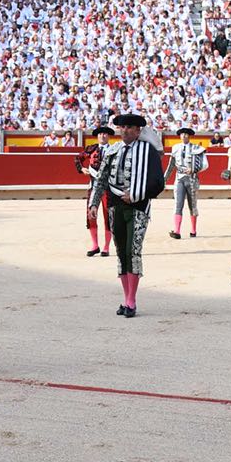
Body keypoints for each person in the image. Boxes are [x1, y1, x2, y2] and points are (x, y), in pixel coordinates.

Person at [86, 112, 165, 318]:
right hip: (115, 205)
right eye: (122, 127)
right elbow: (101, 178)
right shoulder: (113, 150)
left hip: (138, 207)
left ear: (138, 131)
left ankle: (131, 300)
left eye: (130, 127)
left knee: (133, 250)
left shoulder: (148, 151)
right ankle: (126, 298)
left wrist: (137, 194)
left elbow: (158, 183)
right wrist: (94, 203)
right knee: (121, 250)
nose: (125, 130)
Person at [76, 125, 117, 256]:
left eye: (105, 134)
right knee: (91, 215)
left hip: (109, 188)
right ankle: (95, 245)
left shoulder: (114, 150)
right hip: (93, 186)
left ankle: (106, 247)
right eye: (100, 134)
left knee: (108, 217)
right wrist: (81, 169)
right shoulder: (91, 149)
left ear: (108, 136)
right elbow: (78, 158)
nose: (102, 136)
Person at [164, 126, 206, 239]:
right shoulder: (175, 148)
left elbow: (205, 164)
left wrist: (193, 169)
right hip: (179, 178)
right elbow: (171, 165)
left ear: (189, 136)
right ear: (179, 136)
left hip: (192, 179)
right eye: (182, 134)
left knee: (192, 206)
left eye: (186, 134)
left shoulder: (196, 148)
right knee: (178, 204)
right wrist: (164, 179)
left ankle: (193, 230)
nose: (184, 136)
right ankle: (177, 231)